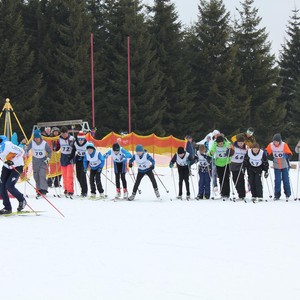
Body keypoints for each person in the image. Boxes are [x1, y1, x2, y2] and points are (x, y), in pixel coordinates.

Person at [0, 135, 27, 214]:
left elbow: (21, 151)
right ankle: (7, 208)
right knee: (2, 187)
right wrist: (6, 161)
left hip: (17, 166)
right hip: (6, 166)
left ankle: (22, 200)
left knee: (9, 186)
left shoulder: (8, 145)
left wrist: (13, 160)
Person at [265, 133, 293, 200]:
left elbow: (290, 154)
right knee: (277, 180)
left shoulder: (284, 145)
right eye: (274, 141)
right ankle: (277, 195)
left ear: (279, 141)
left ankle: (287, 193)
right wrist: (265, 154)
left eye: (277, 142)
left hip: (284, 165)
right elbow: (266, 151)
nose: (275, 143)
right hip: (276, 165)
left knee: (285, 179)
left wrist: (287, 156)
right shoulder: (271, 145)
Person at [26, 129, 52, 197]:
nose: (37, 139)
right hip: (35, 160)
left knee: (42, 175)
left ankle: (44, 189)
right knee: (36, 176)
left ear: (40, 137)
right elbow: (27, 148)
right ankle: (38, 189)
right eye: (35, 138)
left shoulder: (44, 143)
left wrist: (48, 158)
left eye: (38, 138)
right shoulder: (32, 142)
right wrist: (25, 151)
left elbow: (49, 151)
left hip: (42, 160)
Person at [209, 134, 232, 200]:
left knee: (226, 178)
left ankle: (227, 193)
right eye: (219, 144)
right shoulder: (215, 145)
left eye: (221, 143)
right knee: (221, 178)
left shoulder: (226, 143)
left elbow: (229, 144)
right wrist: (211, 153)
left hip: (226, 163)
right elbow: (211, 151)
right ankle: (222, 193)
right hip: (218, 164)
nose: (220, 145)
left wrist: (229, 145)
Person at [57, 126, 75, 197]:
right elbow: (57, 148)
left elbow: (74, 148)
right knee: (64, 175)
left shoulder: (71, 138)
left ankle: (70, 190)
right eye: (62, 134)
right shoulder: (59, 139)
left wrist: (72, 145)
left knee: (69, 175)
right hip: (63, 157)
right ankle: (66, 189)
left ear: (67, 133)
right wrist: (55, 146)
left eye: (65, 133)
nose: (64, 135)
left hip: (70, 158)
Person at [70, 131, 88, 198]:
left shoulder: (87, 144)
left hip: (85, 160)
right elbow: (73, 151)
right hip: (78, 160)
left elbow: (91, 152)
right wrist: (70, 157)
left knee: (83, 176)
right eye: (79, 139)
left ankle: (85, 191)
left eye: (82, 139)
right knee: (78, 176)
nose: (80, 141)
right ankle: (82, 189)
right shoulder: (75, 143)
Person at [230, 134, 247, 200]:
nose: (241, 144)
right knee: (235, 180)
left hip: (241, 165)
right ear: (237, 142)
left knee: (241, 180)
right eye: (240, 143)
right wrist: (229, 150)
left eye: (242, 143)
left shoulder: (245, 148)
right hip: (234, 165)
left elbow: (247, 155)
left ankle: (242, 195)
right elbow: (228, 154)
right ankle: (239, 192)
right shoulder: (234, 146)